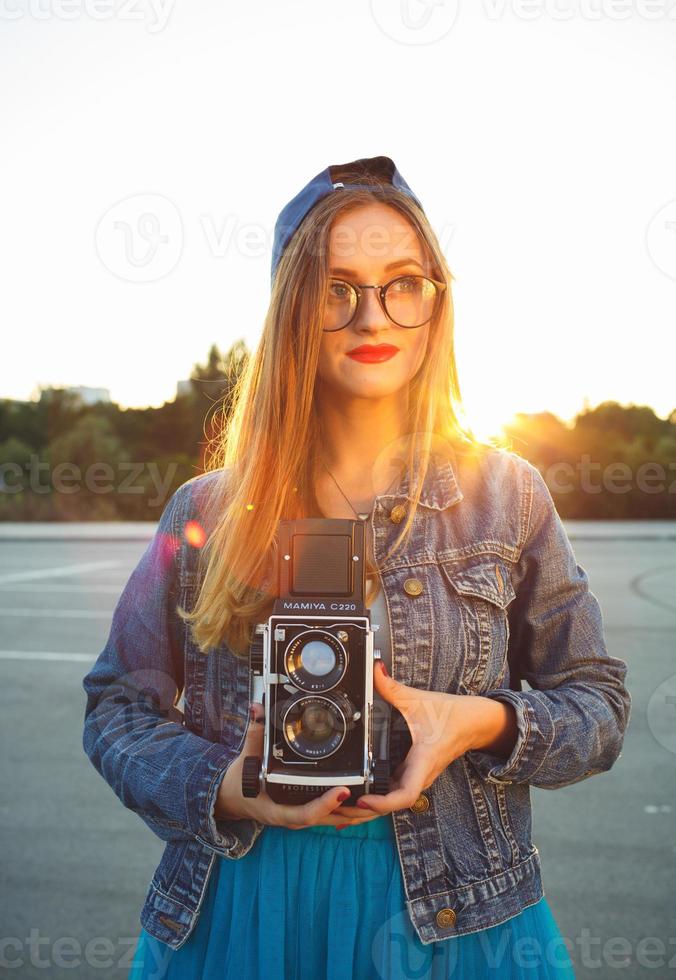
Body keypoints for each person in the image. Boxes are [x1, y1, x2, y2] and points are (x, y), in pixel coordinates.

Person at [82, 156, 631, 979]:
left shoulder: (508, 496)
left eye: (402, 283)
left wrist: (479, 723)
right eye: (337, 288)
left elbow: (598, 703)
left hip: (457, 917)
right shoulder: (205, 511)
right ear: (293, 308)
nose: (373, 316)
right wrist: (228, 784)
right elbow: (117, 707)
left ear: (435, 303)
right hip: (242, 905)